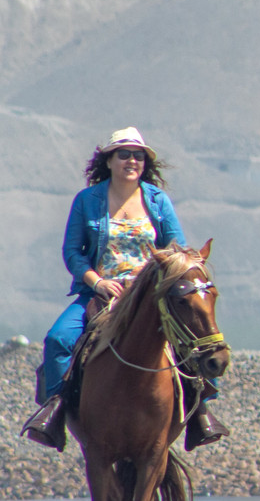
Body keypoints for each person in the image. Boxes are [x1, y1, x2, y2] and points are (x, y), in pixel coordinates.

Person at [22, 127, 228, 451]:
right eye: (124, 154)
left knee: (198, 335)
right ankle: (55, 409)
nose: (132, 160)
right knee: (58, 339)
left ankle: (201, 412)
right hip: (101, 292)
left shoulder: (158, 201)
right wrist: (97, 281)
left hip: (152, 295)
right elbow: (73, 251)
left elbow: (177, 248)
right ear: (109, 160)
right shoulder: (87, 200)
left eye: (138, 155)